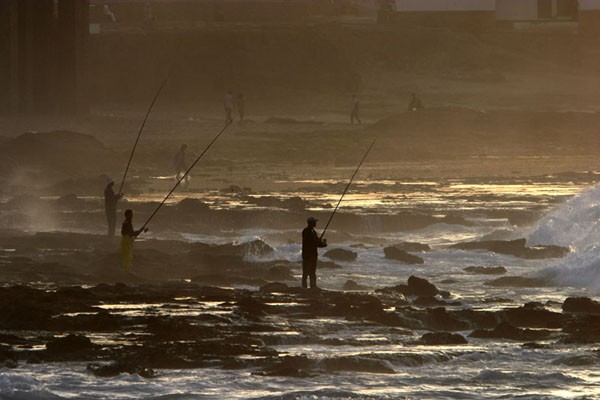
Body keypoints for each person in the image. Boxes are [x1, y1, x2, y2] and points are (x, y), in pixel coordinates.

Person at [302, 217, 327, 289]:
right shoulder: (306, 231)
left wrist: (323, 244)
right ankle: (304, 287)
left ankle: (313, 286)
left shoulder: (313, 231)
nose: (316, 223)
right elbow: (312, 242)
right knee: (306, 272)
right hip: (308, 255)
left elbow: (316, 243)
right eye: (314, 222)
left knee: (312, 272)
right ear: (311, 223)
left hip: (313, 255)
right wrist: (319, 241)